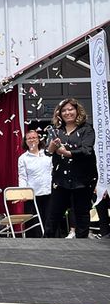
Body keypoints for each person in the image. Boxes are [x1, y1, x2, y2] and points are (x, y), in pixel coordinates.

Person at [45, 98, 97, 239]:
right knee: (53, 213)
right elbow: (48, 152)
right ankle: (46, 244)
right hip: (60, 178)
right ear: (59, 114)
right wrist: (53, 146)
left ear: (77, 111)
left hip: (82, 179)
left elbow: (87, 151)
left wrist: (66, 153)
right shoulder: (56, 131)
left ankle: (81, 245)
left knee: (81, 213)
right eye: (64, 110)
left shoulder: (87, 129)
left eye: (70, 109)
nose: (68, 113)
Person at [17, 129, 52, 237]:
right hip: (32, 195)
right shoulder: (23, 158)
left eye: (34, 137)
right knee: (34, 223)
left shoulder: (47, 154)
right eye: (29, 138)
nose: (32, 140)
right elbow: (22, 177)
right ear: (25, 141)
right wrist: (23, 193)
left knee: (50, 221)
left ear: (38, 139)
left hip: (49, 192)